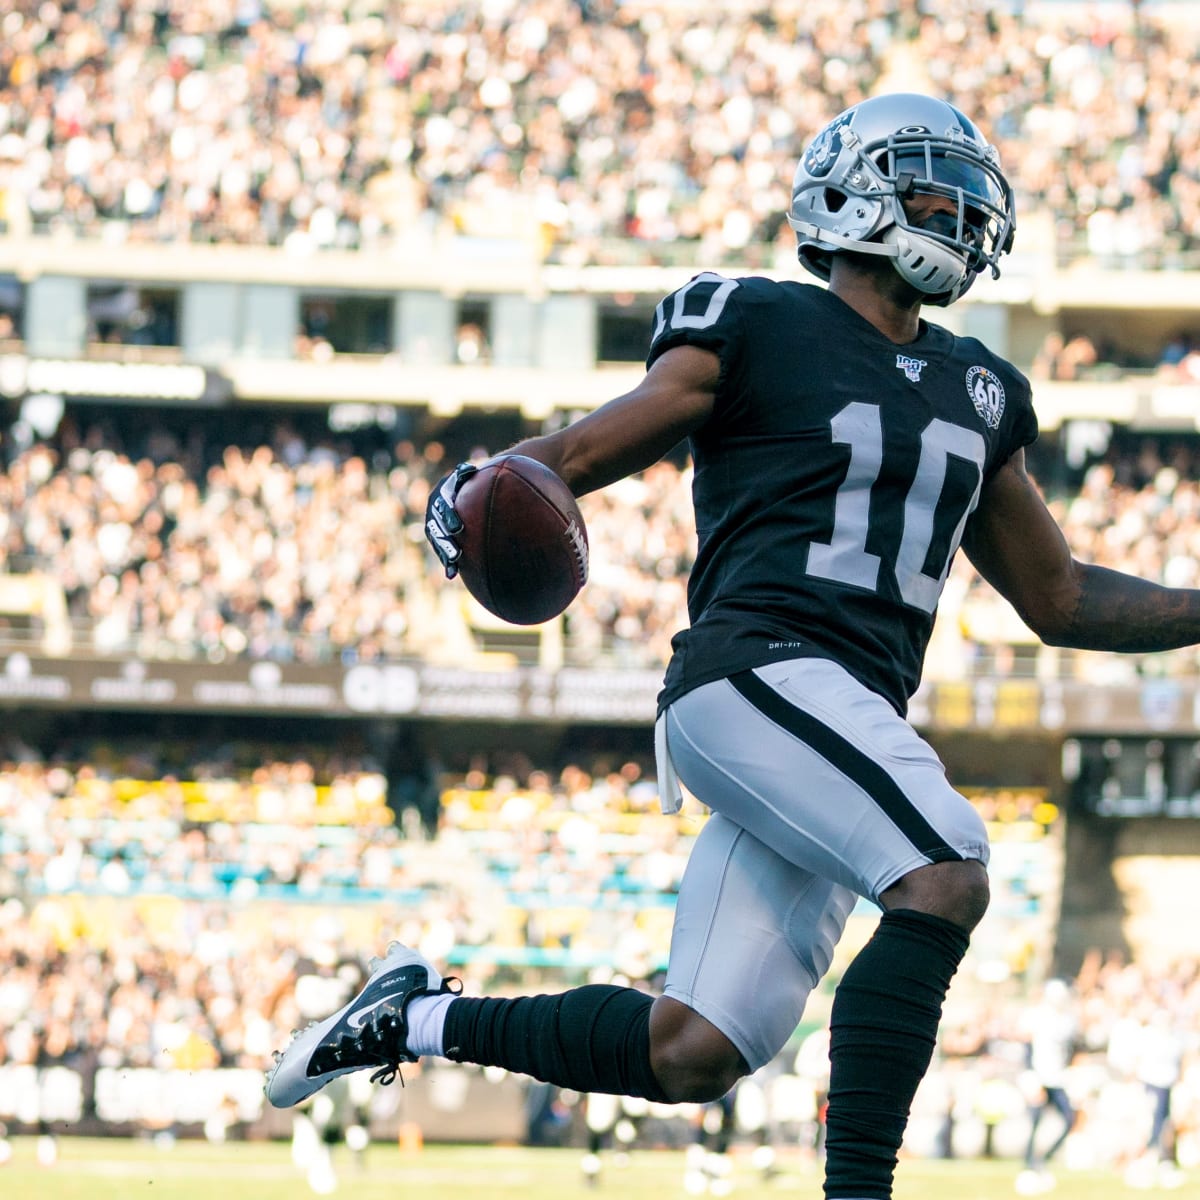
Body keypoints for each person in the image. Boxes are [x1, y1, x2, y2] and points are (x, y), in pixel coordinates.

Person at [266, 92, 1200, 1200]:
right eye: (929, 186)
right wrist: (486, 492)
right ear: (852, 195)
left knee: (695, 1049)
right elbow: (573, 452)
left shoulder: (980, 386)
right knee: (945, 871)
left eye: (963, 192)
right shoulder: (758, 321)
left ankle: (413, 1016)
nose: (957, 211)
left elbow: (1063, 596)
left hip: (841, 716)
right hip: (752, 672)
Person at [1015, 978, 1078, 1195]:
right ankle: (1029, 1166)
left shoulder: (1069, 1020)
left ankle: (1043, 1159)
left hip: (1058, 1078)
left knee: (1070, 1119)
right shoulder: (1036, 1016)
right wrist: (1031, 1078)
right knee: (1035, 1123)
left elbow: (1071, 1050)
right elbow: (1026, 1048)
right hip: (1039, 1077)